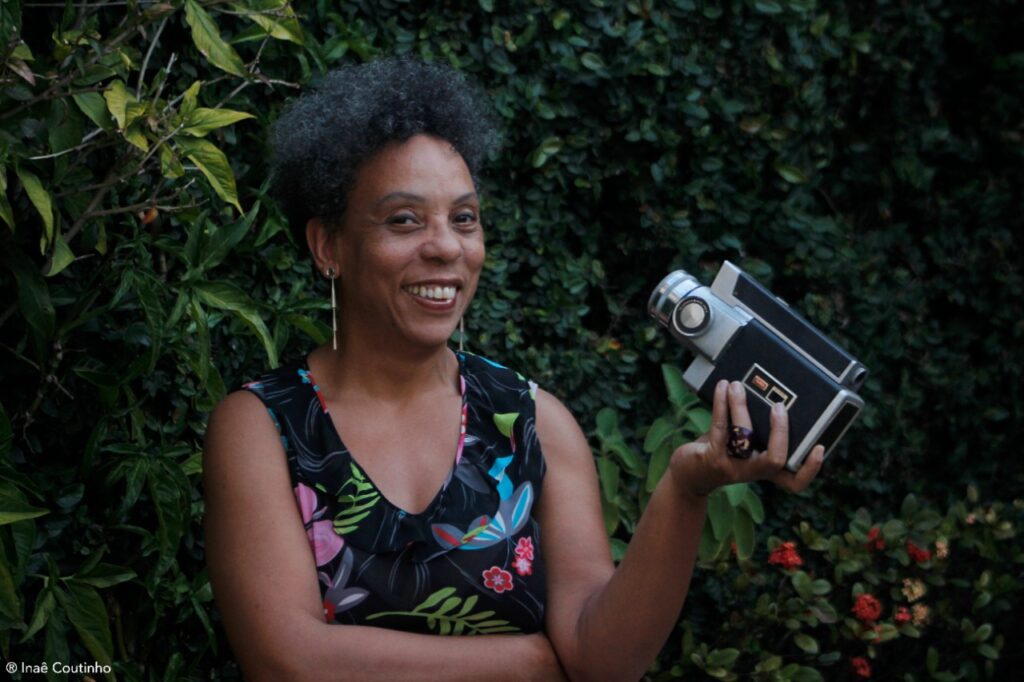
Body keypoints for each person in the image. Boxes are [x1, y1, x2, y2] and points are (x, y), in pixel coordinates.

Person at [202, 57, 825, 681]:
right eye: (404, 220)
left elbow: (600, 661)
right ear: (328, 246)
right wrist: (525, 664)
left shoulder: (531, 422)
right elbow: (287, 660)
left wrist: (686, 489)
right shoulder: (263, 428)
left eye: (464, 218)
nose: (447, 246)